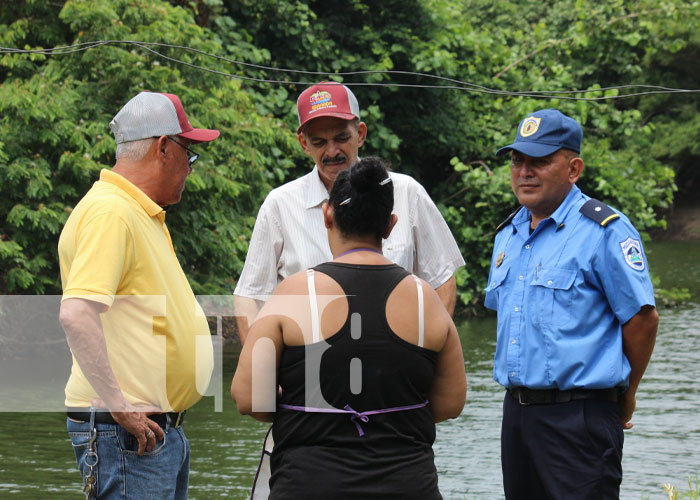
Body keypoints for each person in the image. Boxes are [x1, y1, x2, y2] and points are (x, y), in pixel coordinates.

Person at [232, 156, 466, 500]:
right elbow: (450, 404)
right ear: (389, 225)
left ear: (328, 215)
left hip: (308, 484)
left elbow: (249, 398)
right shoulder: (425, 299)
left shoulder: (294, 293)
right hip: (407, 484)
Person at [484, 108, 659, 500]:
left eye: (540, 161)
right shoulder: (508, 234)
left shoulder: (603, 231)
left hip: (579, 418)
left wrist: (625, 394)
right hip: (517, 414)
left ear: (573, 168)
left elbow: (643, 320)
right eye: (517, 160)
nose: (525, 172)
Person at [58, 91, 219, 499]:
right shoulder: (112, 212)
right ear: (164, 147)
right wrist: (120, 405)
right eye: (190, 152)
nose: (190, 167)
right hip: (128, 435)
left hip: (148, 433)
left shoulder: (136, 211)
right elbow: (77, 314)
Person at [234, 81, 465, 343]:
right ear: (303, 143)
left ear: (361, 133)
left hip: (395, 369)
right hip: (309, 374)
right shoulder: (280, 205)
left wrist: (426, 357)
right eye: (319, 141)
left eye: (342, 138)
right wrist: (263, 370)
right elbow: (250, 297)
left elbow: (442, 281)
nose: (332, 151)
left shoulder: (406, 192)